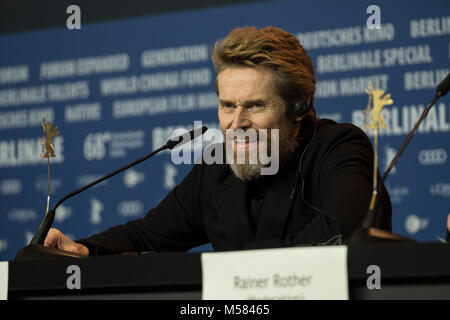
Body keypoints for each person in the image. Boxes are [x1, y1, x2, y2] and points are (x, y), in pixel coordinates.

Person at [44, 26, 392, 256]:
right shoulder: (216, 167)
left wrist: (234, 273)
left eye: (255, 105)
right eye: (227, 106)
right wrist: (85, 250)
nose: (236, 123)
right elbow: (147, 235)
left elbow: (343, 232)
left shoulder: (339, 147)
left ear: (299, 107)